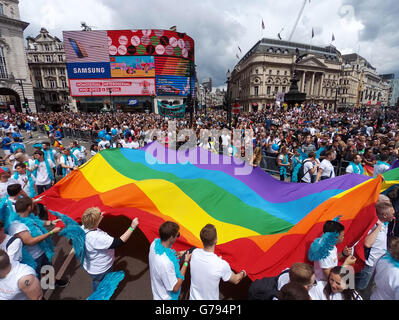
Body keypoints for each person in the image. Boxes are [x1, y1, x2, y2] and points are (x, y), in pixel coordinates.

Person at [81, 207, 139, 291]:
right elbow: (119, 242)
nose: (101, 215)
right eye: (100, 215)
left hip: (91, 266)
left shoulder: (83, 227)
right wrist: (132, 227)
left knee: (97, 281)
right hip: (101, 269)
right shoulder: (97, 238)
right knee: (102, 284)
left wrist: (99, 216)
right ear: (96, 222)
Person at [189, 224, 246, 300]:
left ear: (201, 239)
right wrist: (243, 272)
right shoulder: (221, 265)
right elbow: (235, 280)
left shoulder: (195, 253)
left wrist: (218, 261)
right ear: (216, 240)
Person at [355, 194, 395, 293]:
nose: (394, 216)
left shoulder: (385, 222)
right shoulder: (374, 225)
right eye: (392, 214)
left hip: (374, 265)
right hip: (366, 266)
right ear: (385, 215)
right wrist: (378, 227)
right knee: (356, 290)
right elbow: (367, 243)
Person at [149, 221, 191, 300]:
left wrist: (178, 254)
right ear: (171, 237)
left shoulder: (154, 244)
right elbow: (175, 288)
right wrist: (186, 262)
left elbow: (166, 254)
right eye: (177, 235)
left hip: (157, 294)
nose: (178, 237)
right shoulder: (166, 263)